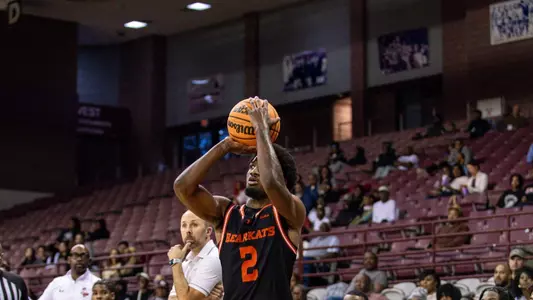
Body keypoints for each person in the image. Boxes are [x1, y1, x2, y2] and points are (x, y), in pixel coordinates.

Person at [174, 97, 305, 300]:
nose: (253, 171)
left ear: (284, 180)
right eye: (251, 165)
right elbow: (182, 187)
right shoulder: (227, 213)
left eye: (259, 166)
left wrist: (261, 129)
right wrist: (224, 146)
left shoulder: (289, 211)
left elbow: (271, 183)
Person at [167, 210, 223, 300]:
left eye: (194, 225)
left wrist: (175, 262)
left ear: (208, 231)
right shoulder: (186, 261)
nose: (188, 230)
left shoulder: (214, 258)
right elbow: (171, 298)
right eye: (184, 225)